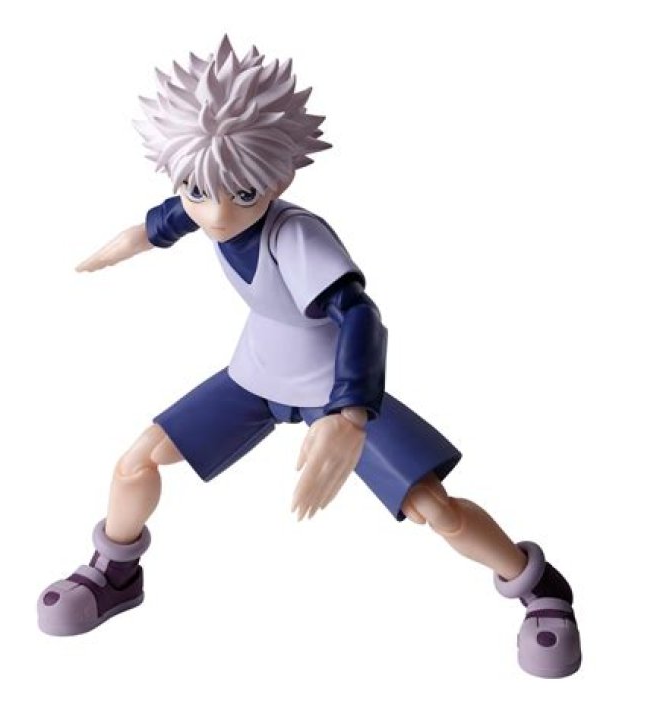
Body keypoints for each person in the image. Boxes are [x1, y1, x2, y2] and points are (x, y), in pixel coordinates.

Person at [37, 36, 581, 678]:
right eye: (196, 188)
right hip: (256, 375)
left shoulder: (295, 236)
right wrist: (128, 242)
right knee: (135, 463)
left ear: (279, 179)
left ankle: (538, 587)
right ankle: (114, 572)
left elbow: (360, 314)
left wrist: (349, 414)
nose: (215, 213)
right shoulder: (205, 200)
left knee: (434, 507)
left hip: (333, 386)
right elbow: (170, 221)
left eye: (241, 193)